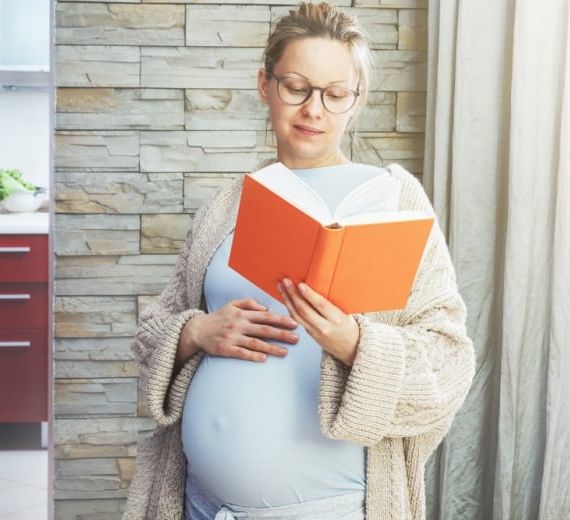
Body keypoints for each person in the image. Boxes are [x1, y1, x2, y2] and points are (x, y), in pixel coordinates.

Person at [122, 2, 475, 519]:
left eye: (335, 95)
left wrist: (357, 346)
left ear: (355, 103)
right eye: (297, 88)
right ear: (266, 86)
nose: (314, 110)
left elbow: (450, 363)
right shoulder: (228, 205)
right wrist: (195, 332)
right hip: (199, 503)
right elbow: (151, 332)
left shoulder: (394, 199)